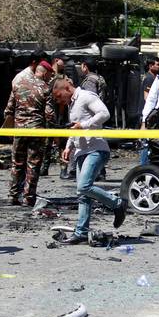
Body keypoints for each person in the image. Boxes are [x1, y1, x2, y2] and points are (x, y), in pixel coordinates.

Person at [51, 79, 127, 244]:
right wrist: (68, 146)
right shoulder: (72, 104)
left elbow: (104, 114)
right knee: (83, 195)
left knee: (84, 186)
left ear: (67, 88)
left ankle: (117, 203)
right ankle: (81, 233)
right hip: (81, 151)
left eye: (59, 96)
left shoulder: (86, 96)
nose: (59, 101)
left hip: (96, 149)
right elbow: (74, 127)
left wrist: (84, 125)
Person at [4, 61, 55, 207]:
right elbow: (49, 115)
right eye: (49, 75)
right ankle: (28, 197)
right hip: (36, 131)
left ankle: (13, 195)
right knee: (33, 164)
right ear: (44, 73)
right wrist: (54, 131)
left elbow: (8, 109)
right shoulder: (45, 88)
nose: (50, 78)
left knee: (17, 163)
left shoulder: (18, 84)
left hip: (19, 130)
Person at [42, 51, 73, 179]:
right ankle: (44, 168)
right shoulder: (49, 78)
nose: (64, 63)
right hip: (51, 114)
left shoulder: (65, 77)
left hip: (62, 115)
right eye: (62, 60)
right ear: (56, 60)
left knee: (63, 143)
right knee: (46, 143)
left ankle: (63, 169)